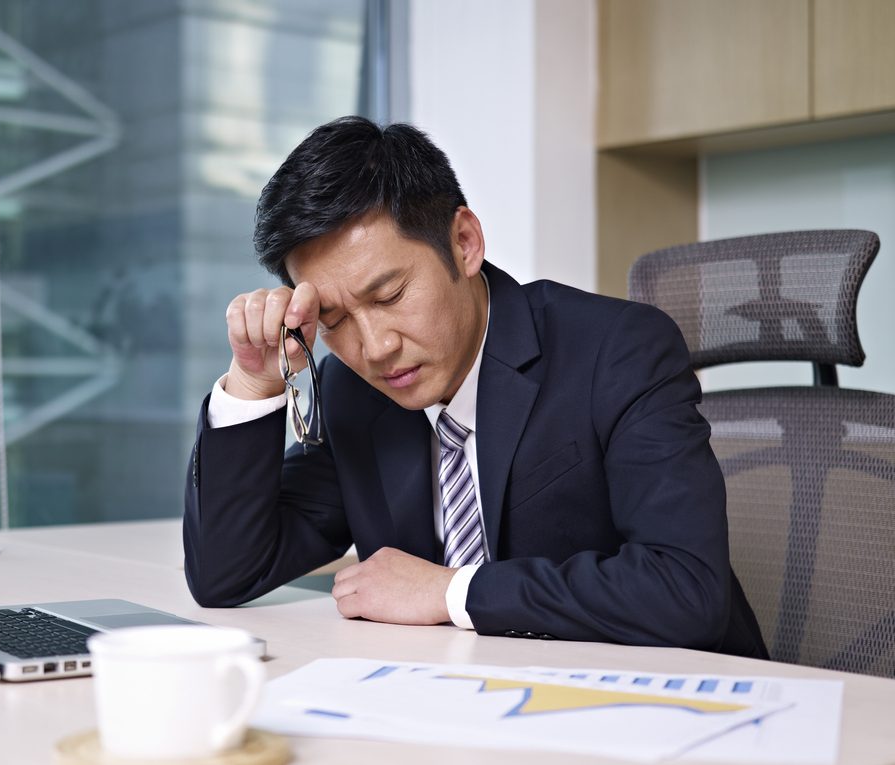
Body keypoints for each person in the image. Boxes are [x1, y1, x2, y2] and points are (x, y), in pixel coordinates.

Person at [182, 116, 768, 658]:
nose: (376, 346)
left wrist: (452, 592)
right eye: (333, 320)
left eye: (389, 296)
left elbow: (685, 589)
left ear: (464, 243)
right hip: (468, 703)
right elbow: (227, 573)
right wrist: (254, 382)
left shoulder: (617, 349)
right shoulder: (353, 391)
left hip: (671, 709)